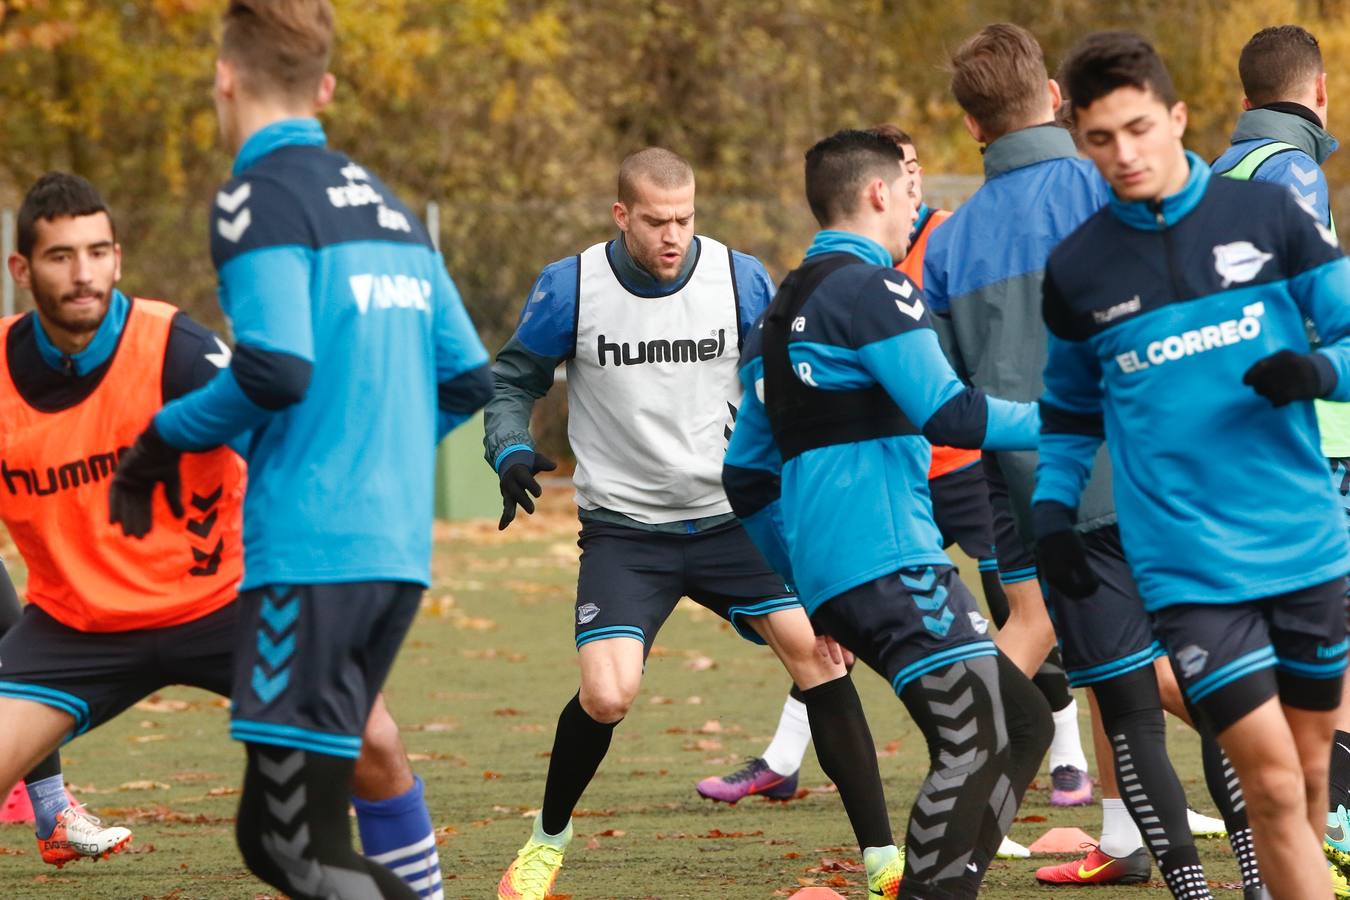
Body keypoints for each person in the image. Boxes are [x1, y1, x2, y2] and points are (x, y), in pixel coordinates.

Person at [106, 2, 493, 897]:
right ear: (323, 87)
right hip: (394, 555)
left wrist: (159, 442)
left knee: (288, 848)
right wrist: (383, 450)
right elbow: (468, 377)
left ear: (225, 76)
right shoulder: (389, 208)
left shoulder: (259, 198)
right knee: (296, 833)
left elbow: (276, 368)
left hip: (313, 556)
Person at [0, 171, 451, 899]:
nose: (84, 274)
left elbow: (287, 446)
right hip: (76, 625)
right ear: (21, 269)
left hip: (229, 600)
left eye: (98, 252)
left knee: (374, 741)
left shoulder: (173, 348)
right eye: (60, 256)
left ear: (117, 256)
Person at [485, 146, 903, 900]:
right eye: (654, 221)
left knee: (821, 657)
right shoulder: (572, 285)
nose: (672, 235)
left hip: (730, 519)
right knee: (608, 695)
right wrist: (510, 446)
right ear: (622, 215)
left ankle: (883, 862)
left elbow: (784, 385)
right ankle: (547, 840)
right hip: (626, 532)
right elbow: (513, 380)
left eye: (684, 219)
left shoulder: (739, 277)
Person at [695, 126, 1091, 863]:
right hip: (892, 561)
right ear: (879, 192)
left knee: (1024, 723)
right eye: (912, 190)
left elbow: (745, 476)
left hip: (837, 578)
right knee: (979, 741)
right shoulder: (872, 286)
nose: (917, 205)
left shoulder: (779, 314)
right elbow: (953, 415)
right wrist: (1072, 419)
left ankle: (951, 882)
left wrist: (805, 585)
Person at [924, 24, 1251, 895]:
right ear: (1058, 100)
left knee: (1130, 711)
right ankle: (1260, 877)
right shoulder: (1115, 177)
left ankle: (1189, 885)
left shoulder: (948, 246)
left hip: (1055, 509)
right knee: (1221, 694)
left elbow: (946, 398)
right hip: (1167, 478)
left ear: (970, 127)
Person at [1036, 30, 1350, 899]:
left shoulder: (1269, 219)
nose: (1124, 155)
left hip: (1302, 543)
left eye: (1139, 129)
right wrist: (1053, 510)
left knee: (1313, 780)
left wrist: (1321, 371)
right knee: (1273, 785)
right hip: (1187, 565)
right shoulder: (1078, 268)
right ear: (1082, 141)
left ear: (1177, 117)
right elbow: (1066, 413)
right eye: (1100, 139)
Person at [1210, 27, 1350, 888]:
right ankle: (1326, 816)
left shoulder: (1214, 177)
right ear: (1321, 90)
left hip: (1231, 442)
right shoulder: (1293, 171)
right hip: (1313, 436)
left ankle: (1307, 815)